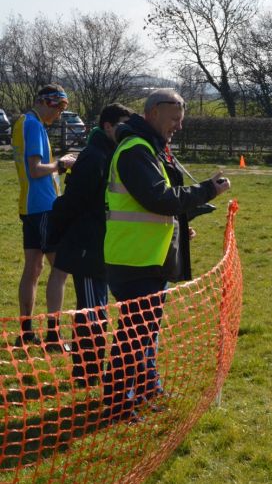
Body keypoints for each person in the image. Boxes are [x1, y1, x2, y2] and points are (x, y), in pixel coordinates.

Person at [102, 89, 231, 424]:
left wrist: (182, 224)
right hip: (133, 259)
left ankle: (146, 389)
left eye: (181, 119)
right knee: (133, 338)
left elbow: (159, 205)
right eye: (174, 119)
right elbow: (159, 199)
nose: (179, 126)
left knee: (145, 334)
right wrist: (207, 190)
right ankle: (117, 405)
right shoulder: (136, 150)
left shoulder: (150, 149)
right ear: (154, 113)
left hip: (148, 257)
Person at [48, 103, 134, 387]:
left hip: (104, 245)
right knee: (91, 311)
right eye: (121, 125)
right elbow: (73, 201)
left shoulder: (112, 153)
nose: (126, 131)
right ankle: (87, 372)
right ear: (108, 126)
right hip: (87, 246)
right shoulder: (94, 156)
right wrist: (58, 232)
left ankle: (92, 369)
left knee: (98, 308)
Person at [11, 84, 77, 351]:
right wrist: (62, 164)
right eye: (58, 108)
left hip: (29, 206)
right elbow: (36, 169)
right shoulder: (35, 126)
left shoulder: (22, 122)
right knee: (59, 269)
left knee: (33, 269)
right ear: (45, 102)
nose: (59, 114)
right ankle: (53, 336)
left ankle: (26, 332)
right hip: (43, 207)